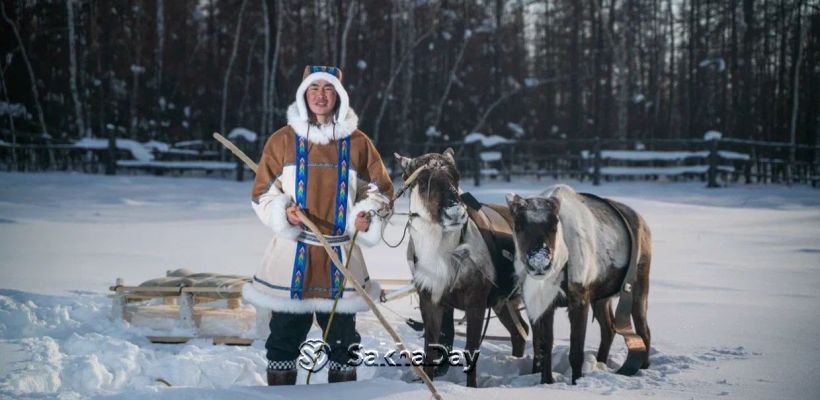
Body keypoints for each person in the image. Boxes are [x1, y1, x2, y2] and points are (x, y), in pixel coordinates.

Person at [243, 65, 394, 385]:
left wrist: (366, 215)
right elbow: (262, 194)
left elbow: (381, 191)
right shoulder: (282, 140)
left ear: (338, 96)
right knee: (283, 339)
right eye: (315, 89)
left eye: (328, 89)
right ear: (303, 94)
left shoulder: (358, 142)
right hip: (292, 253)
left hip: (340, 254)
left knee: (342, 342)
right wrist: (285, 213)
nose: (321, 95)